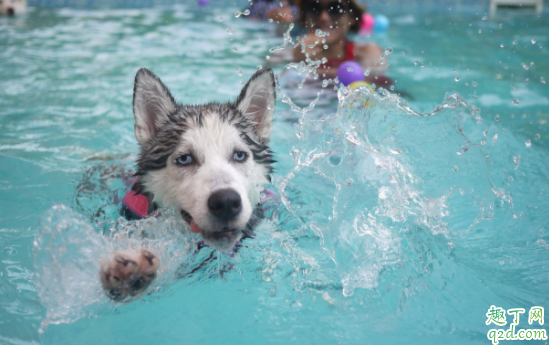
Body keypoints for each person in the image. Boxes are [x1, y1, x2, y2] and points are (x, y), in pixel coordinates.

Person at [293, 0, 391, 86]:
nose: (324, 18)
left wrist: (302, 70)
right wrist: (297, 59)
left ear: (351, 18)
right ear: (305, 16)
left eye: (335, 8)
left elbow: (376, 79)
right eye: (314, 8)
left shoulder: (366, 51)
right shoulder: (293, 53)